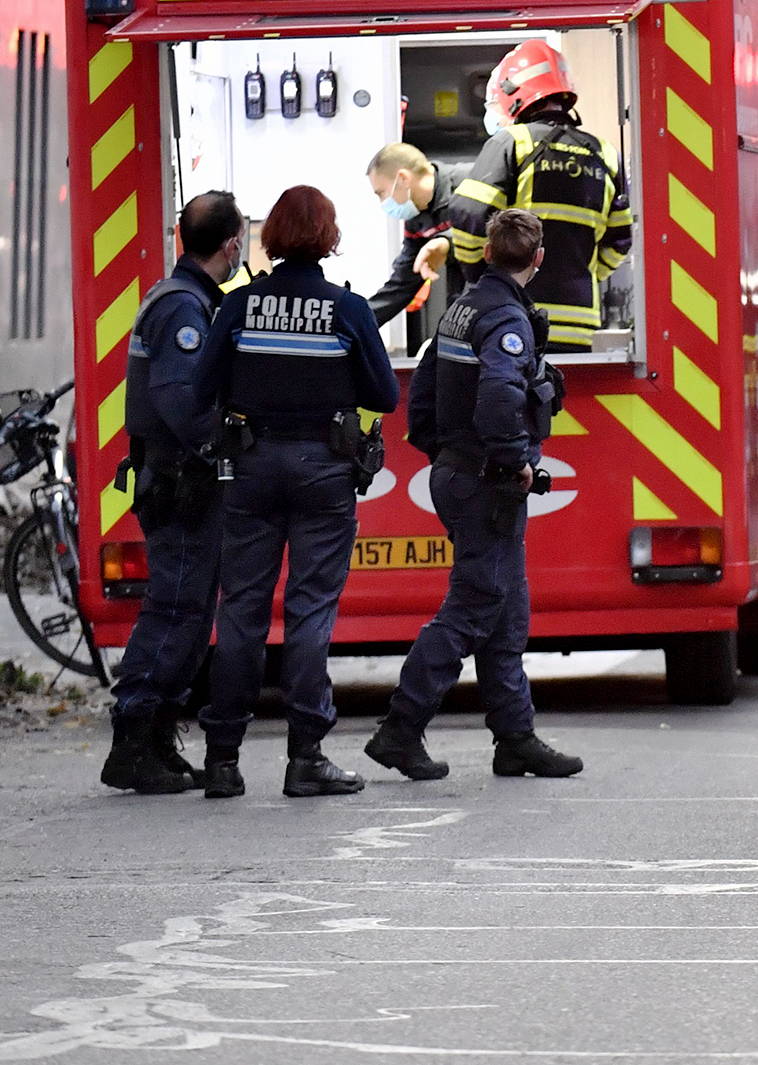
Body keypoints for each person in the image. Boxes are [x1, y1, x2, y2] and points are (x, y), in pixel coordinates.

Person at [193, 185, 400, 800]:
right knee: (310, 609)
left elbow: (202, 388)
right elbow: (385, 397)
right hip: (323, 472)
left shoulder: (238, 306)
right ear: (328, 237)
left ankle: (223, 760)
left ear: (271, 234)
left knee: (242, 610)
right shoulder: (347, 309)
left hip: (250, 467)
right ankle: (305, 758)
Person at [366, 209, 582, 782]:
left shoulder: (461, 308)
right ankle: (400, 729)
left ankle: (516, 739)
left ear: (487, 253)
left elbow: (424, 387)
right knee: (471, 608)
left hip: (459, 474)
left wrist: (443, 453)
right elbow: (497, 397)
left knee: (506, 610)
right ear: (537, 259)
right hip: (486, 482)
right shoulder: (506, 318)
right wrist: (512, 462)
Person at [101, 191, 246, 795]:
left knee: (187, 610)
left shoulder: (186, 299)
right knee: (176, 608)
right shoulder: (184, 308)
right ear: (232, 245)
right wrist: (223, 447)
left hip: (178, 480)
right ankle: (134, 736)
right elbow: (179, 400)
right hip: (180, 483)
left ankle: (156, 737)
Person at [448, 40, 631, 351]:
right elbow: (622, 238)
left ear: (513, 94)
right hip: (579, 327)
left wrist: (479, 274)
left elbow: (468, 212)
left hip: (515, 318)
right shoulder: (605, 154)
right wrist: (584, 273)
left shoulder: (512, 143)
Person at [365, 142, 470, 328]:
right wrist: (356, 322)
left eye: (381, 193)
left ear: (403, 178)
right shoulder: (416, 218)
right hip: (466, 304)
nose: (382, 202)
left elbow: (497, 230)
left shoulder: (472, 182)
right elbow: (403, 283)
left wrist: (448, 242)